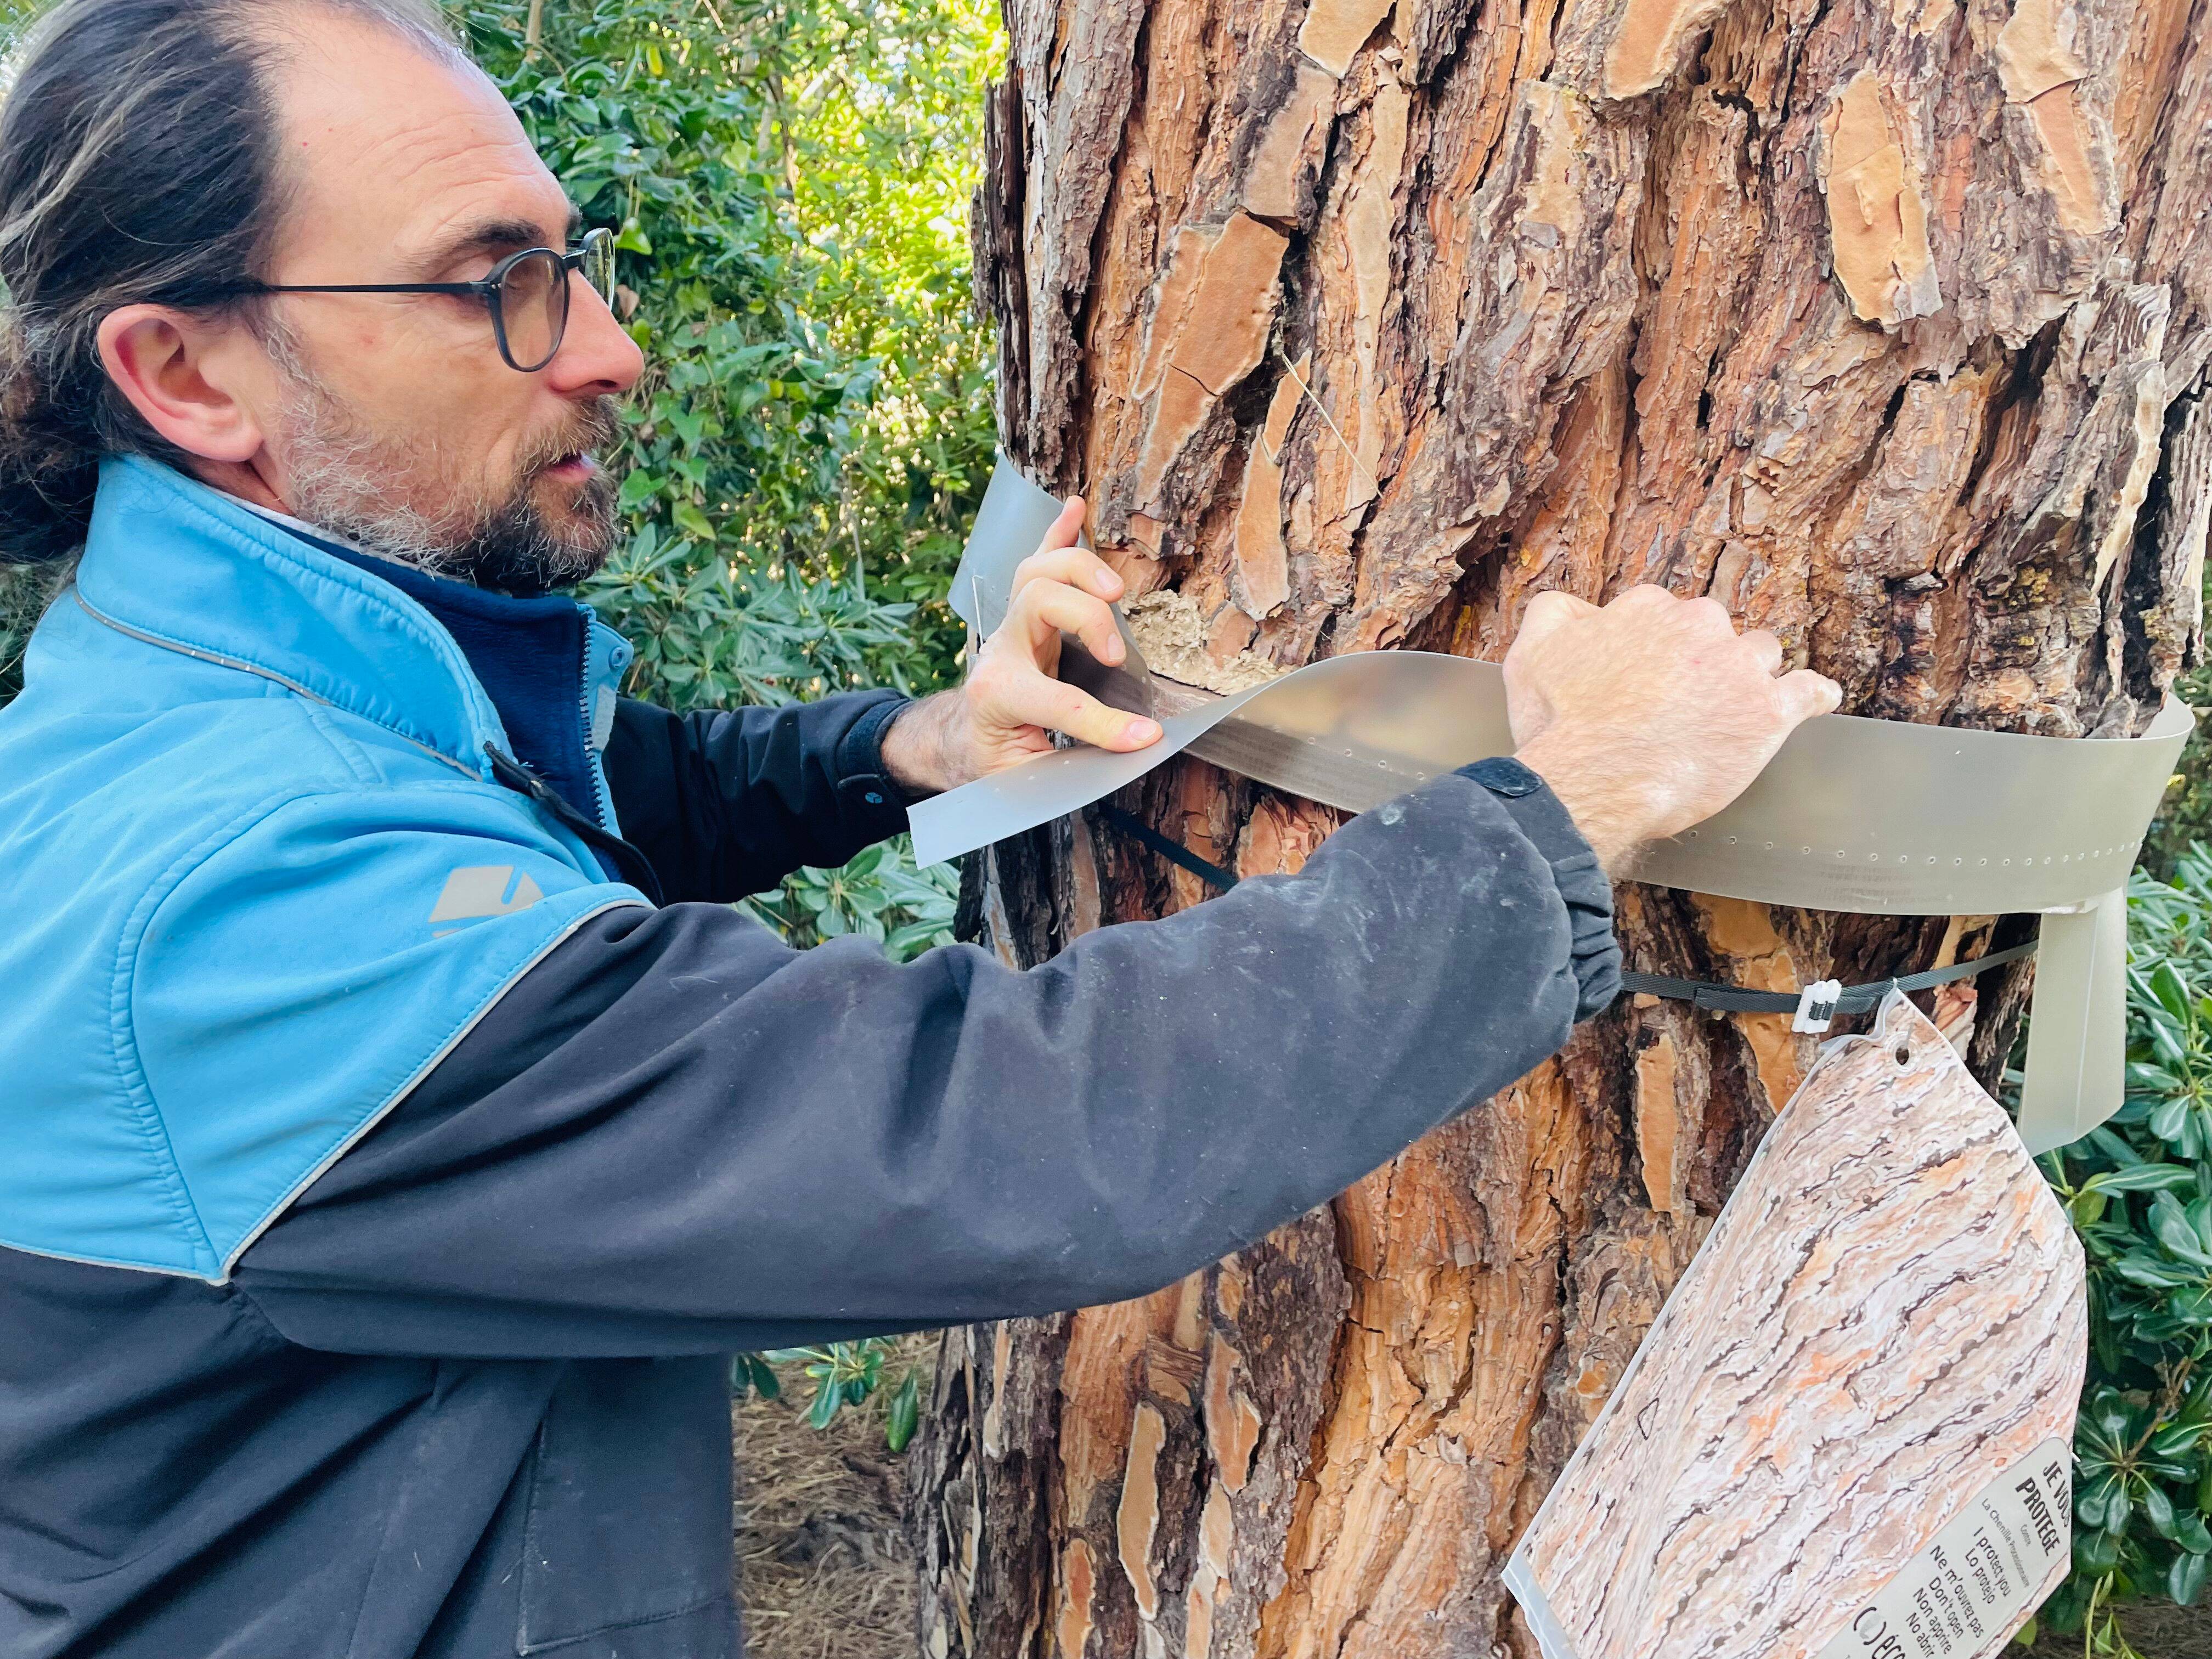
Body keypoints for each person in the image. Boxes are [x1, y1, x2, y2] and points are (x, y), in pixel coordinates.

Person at [0, 2, 1841, 1656]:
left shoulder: (198, 707)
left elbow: (580, 806)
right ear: (187, 377)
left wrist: (910, 742)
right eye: (501, 282)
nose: (613, 350)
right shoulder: (228, 915)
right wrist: (1560, 806)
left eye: (577, 259)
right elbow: (1006, 1136)